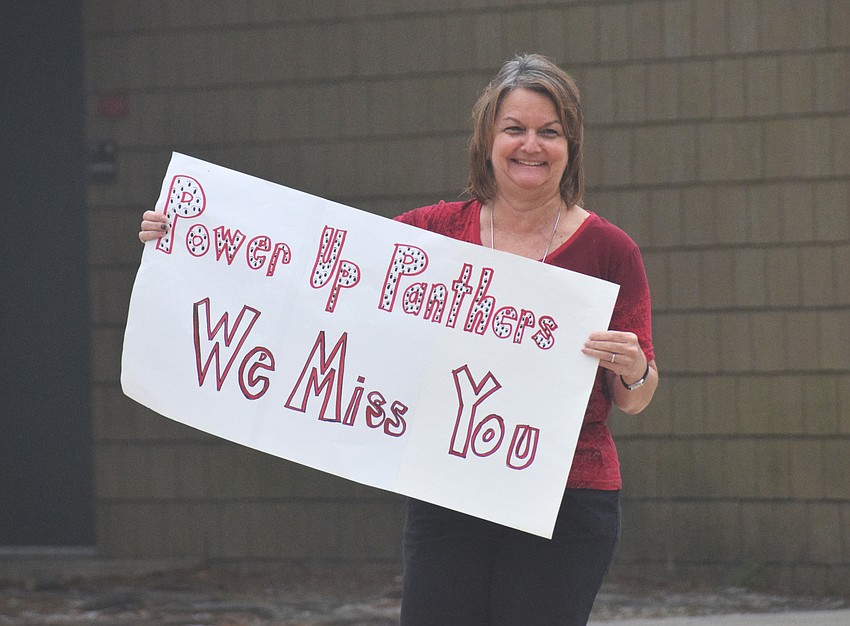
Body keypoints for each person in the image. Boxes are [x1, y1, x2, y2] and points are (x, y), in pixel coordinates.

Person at [139, 53, 658, 626]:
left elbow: (634, 397)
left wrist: (632, 366)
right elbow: (313, 277)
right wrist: (189, 237)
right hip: (449, 489)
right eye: (515, 129)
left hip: (565, 499)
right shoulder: (430, 234)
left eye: (549, 132)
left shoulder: (610, 251)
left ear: (571, 145)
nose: (530, 145)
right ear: (488, 138)